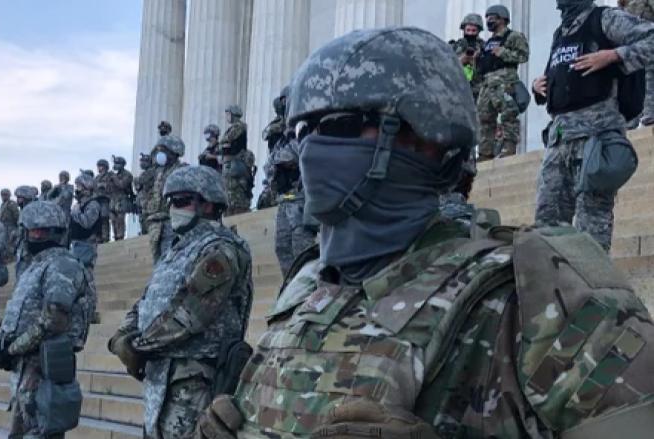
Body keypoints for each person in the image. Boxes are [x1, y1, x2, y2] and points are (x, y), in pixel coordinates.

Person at [194, 26, 654, 439]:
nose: (312, 146)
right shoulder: (307, 284)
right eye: (304, 128)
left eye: (339, 125)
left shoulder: (537, 298)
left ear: (428, 138)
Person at [111, 165, 253, 439]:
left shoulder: (221, 248)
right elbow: (147, 299)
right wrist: (122, 335)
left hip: (193, 381)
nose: (174, 208)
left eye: (182, 201)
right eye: (171, 201)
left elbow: (191, 314)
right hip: (161, 379)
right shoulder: (177, 249)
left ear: (209, 204)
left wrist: (138, 347)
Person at [532, 0, 654, 252]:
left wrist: (614, 55)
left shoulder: (605, 18)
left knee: (592, 225)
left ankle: (594, 288)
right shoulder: (561, 31)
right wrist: (539, 86)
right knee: (547, 226)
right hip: (559, 140)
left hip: (596, 139)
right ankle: (553, 286)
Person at [0, 201, 96, 439]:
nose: (36, 236)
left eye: (42, 231)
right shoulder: (35, 267)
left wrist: (12, 349)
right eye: (32, 231)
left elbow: (54, 319)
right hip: (27, 365)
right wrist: (2, 342)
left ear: (57, 233)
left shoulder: (62, 265)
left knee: (41, 432)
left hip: (46, 364)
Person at [476, 5, 529, 161]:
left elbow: (523, 55)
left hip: (505, 82)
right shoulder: (488, 42)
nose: (488, 21)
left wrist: (503, 52)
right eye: (487, 18)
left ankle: (509, 148)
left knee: (508, 114)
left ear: (502, 18)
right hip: (487, 84)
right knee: (484, 119)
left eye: (492, 17)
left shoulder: (513, 36)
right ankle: (485, 153)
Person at [268, 140, 317, 275]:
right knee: (281, 247)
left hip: (300, 202)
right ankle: (290, 285)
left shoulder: (304, 140)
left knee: (301, 249)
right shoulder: (280, 143)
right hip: (285, 201)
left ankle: (307, 286)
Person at [147, 135, 188, 263]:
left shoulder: (182, 170)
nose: (159, 154)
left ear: (173, 152)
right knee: (158, 262)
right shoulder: (159, 172)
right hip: (156, 223)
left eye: (163, 150)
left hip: (172, 222)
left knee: (170, 259)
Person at [218, 105, 254, 216]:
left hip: (237, 164)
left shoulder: (239, 126)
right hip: (231, 164)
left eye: (228, 114)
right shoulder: (234, 127)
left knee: (236, 196)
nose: (227, 117)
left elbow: (227, 139)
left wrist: (223, 142)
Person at [622, 0, 654, 125]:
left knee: (649, 81)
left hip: (649, 47)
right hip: (633, 52)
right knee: (635, 86)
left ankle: (649, 115)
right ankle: (633, 121)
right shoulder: (623, 5)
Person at [70, 172, 104, 272]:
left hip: (87, 245)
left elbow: (87, 223)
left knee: (85, 276)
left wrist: (76, 212)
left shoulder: (93, 204)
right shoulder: (78, 205)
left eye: (79, 186)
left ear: (86, 187)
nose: (76, 189)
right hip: (77, 244)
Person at [451, 13, 486, 99]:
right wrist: (461, 60)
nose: (470, 33)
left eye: (473, 31)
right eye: (468, 30)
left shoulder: (484, 47)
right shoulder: (454, 46)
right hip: (458, 88)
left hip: (478, 90)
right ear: (464, 30)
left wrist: (475, 61)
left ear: (478, 31)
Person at [13, 185, 39, 277]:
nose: (17, 200)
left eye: (19, 198)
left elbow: (23, 232)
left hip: (28, 251)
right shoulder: (25, 210)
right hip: (24, 250)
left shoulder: (30, 210)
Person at [94, 159, 115, 243]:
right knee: (97, 220)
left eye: (101, 166)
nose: (99, 168)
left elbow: (113, 186)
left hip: (106, 199)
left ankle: (106, 238)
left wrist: (104, 185)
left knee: (105, 219)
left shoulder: (110, 175)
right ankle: (99, 238)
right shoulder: (97, 177)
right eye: (98, 166)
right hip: (97, 200)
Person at [134, 153, 156, 235]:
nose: (142, 163)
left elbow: (141, 181)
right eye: (141, 161)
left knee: (147, 221)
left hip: (148, 201)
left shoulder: (152, 171)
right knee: (142, 221)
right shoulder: (146, 172)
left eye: (144, 161)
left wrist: (137, 180)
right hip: (142, 202)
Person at [0, 188, 21, 261]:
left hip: (10, 226)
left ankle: (11, 258)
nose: (4, 197)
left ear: (9, 195)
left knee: (11, 243)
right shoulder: (2, 205)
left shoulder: (12, 204)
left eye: (5, 195)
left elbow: (16, 215)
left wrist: (16, 226)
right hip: (3, 227)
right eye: (2, 195)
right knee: (4, 244)